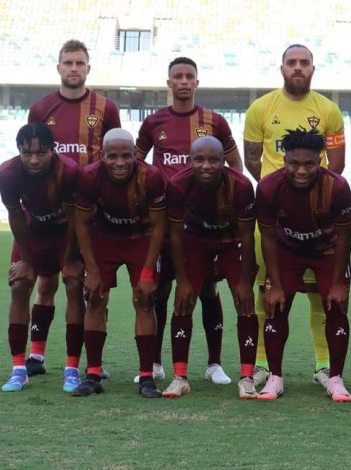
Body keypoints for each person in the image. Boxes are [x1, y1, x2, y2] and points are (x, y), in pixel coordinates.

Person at [135, 56, 243, 385]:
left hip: (205, 224)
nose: (183, 81)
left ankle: (214, 363)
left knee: (208, 289)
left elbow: (235, 168)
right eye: (177, 76)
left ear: (197, 82)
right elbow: (137, 167)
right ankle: (154, 363)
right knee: (163, 290)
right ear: (168, 83)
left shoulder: (215, 121)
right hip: (166, 223)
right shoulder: (153, 122)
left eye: (189, 76)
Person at [244, 44, 345, 387]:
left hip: (318, 220)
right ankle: (261, 363)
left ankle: (323, 365)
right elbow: (252, 159)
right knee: (267, 292)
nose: (298, 68)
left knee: (322, 294)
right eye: (292, 63)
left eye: (304, 63)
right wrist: (278, 193)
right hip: (276, 217)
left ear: (313, 68)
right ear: (282, 67)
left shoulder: (328, 110)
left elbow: (338, 161)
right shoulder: (261, 108)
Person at [24, 39, 121, 378]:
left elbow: (115, 155)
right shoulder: (41, 109)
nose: (74, 69)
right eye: (68, 63)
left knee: (91, 288)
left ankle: (92, 362)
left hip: (89, 214)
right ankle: (36, 355)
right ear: (59, 68)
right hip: (49, 214)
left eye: (80, 63)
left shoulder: (105, 108)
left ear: (88, 68)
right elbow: (30, 156)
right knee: (46, 283)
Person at [255, 128, 351, 402]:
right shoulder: (267, 187)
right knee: (275, 304)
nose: (301, 170)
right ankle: (275, 378)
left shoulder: (338, 187)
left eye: (309, 164)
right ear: (283, 161)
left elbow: (345, 238)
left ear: (320, 161)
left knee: (335, 305)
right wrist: (273, 283)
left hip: (328, 250)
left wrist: (338, 283)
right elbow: (268, 236)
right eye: (294, 163)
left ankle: (335, 378)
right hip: (288, 251)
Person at [71, 129, 166, 398]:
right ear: (102, 156)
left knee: (145, 300)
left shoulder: (152, 177)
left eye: (126, 155)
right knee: (96, 299)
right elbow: (81, 223)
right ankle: (92, 374)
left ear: (135, 154)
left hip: (141, 239)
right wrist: (90, 269)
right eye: (113, 156)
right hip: (104, 238)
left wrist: (148, 272)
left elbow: (159, 227)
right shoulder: (88, 177)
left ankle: (147, 377)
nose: (120, 162)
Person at [163, 136, 258, 399]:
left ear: (223, 161)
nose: (206, 165)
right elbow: (175, 234)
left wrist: (245, 281)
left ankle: (247, 378)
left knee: (245, 302)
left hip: (231, 242)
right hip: (195, 242)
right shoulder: (178, 184)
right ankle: (180, 377)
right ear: (190, 160)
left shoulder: (240, 185)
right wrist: (182, 280)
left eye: (213, 160)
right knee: (183, 300)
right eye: (199, 159)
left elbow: (248, 236)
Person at [0, 123, 82, 392]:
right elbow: (15, 215)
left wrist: (69, 259)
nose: (33, 159)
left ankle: (72, 369)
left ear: (53, 150)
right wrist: (26, 259)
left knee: (74, 283)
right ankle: (19, 369)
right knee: (20, 285)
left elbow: (75, 220)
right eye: (26, 153)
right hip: (31, 233)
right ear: (19, 152)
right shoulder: (7, 173)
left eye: (41, 152)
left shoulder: (68, 172)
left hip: (64, 233)